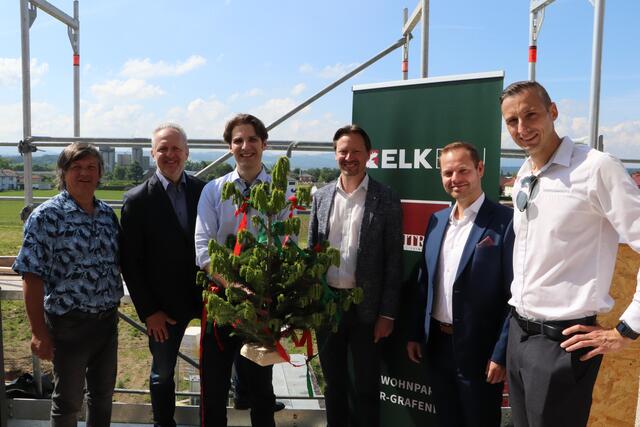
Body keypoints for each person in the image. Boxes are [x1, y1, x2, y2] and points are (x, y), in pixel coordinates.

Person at [500, 80, 640, 427]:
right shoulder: (524, 174)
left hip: (562, 343)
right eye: (512, 121)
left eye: (531, 115)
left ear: (553, 112)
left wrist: (626, 329)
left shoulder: (596, 168)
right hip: (519, 334)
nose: (522, 128)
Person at [13, 143, 123, 427]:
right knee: (68, 402)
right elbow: (31, 277)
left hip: (107, 323)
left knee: (102, 396)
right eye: (76, 167)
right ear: (63, 173)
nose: (84, 173)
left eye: (91, 168)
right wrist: (39, 333)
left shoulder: (107, 215)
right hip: (68, 325)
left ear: (100, 173)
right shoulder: (47, 216)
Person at [406, 141, 513, 426]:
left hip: (481, 351)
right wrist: (417, 333)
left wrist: (501, 353)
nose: (455, 179)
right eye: (448, 173)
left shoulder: (507, 221)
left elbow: (514, 295)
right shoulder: (437, 220)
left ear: (480, 169)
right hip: (438, 345)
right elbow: (425, 281)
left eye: (463, 171)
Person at [308, 124, 403, 427]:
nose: (349, 157)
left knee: (366, 388)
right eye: (343, 151)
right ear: (335, 154)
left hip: (367, 310)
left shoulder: (386, 198)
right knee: (333, 385)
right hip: (327, 307)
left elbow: (393, 260)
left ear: (369, 155)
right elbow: (312, 253)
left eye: (356, 151)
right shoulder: (320, 197)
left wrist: (387, 314)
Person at [194, 113, 283, 427]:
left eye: (252, 140)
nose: (246, 146)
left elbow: (283, 244)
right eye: (238, 141)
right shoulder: (213, 191)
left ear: (264, 144)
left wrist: (261, 289)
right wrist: (230, 284)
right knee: (213, 385)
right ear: (229, 148)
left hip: (262, 303)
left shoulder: (281, 191)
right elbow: (204, 247)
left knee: (261, 388)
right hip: (221, 299)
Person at [120, 123, 205, 427]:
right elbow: (130, 263)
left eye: (176, 148)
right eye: (163, 149)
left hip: (206, 298)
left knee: (219, 367)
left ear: (187, 152)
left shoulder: (203, 190)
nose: (170, 155)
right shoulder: (137, 200)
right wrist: (149, 312)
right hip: (162, 309)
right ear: (153, 153)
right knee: (163, 372)